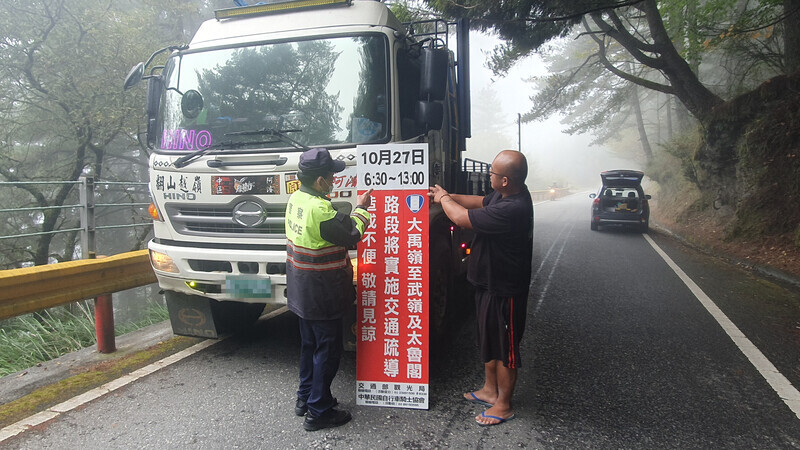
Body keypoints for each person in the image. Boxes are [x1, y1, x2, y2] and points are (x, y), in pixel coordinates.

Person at [428, 150, 533, 427]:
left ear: (507, 181)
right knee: (487, 338)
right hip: (487, 283)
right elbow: (477, 202)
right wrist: (446, 193)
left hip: (505, 290)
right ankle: (489, 390)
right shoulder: (504, 196)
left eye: (493, 174)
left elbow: (462, 218)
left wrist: (445, 201)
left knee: (505, 348)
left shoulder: (513, 209)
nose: (489, 176)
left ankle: (504, 405)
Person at [285, 147, 373, 431]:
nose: (335, 179)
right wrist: (362, 208)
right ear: (320, 181)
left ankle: (304, 398)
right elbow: (352, 234)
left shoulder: (296, 199)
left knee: (309, 346)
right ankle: (319, 411)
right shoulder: (320, 210)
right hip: (323, 294)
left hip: (301, 290)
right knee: (327, 351)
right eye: (332, 175)